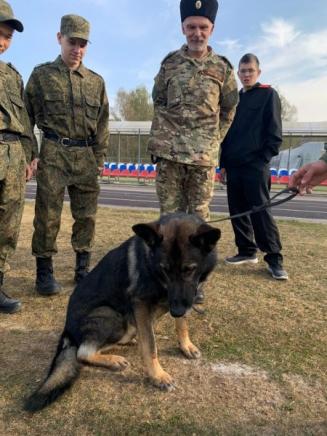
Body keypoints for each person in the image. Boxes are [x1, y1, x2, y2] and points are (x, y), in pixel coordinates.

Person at [148, 0, 238, 303]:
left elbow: (229, 109)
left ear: (211, 29)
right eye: (191, 27)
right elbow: (158, 100)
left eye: (203, 27)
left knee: (198, 223)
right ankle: (165, 280)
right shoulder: (170, 63)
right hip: (170, 155)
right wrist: (167, 135)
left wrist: (213, 140)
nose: (196, 33)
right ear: (183, 28)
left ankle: (196, 283)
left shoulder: (223, 68)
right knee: (168, 222)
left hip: (202, 159)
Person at [24, 14, 109, 295]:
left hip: (85, 153)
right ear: (59, 38)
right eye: (72, 42)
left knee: (86, 216)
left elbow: (102, 124)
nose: (78, 49)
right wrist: (32, 153)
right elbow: (26, 118)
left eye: (83, 43)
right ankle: (44, 272)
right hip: (54, 152)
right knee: (47, 214)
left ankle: (82, 269)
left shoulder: (96, 82)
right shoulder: (41, 76)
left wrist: (98, 159)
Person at [220, 53, 288, 280]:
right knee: (237, 211)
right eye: (243, 71)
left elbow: (275, 133)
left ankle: (274, 258)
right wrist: (223, 165)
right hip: (234, 166)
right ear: (238, 74)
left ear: (258, 72)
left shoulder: (268, 94)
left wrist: (263, 159)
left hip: (256, 166)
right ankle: (246, 251)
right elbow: (226, 135)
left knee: (260, 212)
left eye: (250, 70)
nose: (246, 74)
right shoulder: (234, 99)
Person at [0, 0, 34, 313]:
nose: (2, 41)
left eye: (8, 36)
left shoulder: (13, 75)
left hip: (12, 153)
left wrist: (28, 155)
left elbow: (22, 120)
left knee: (8, 225)